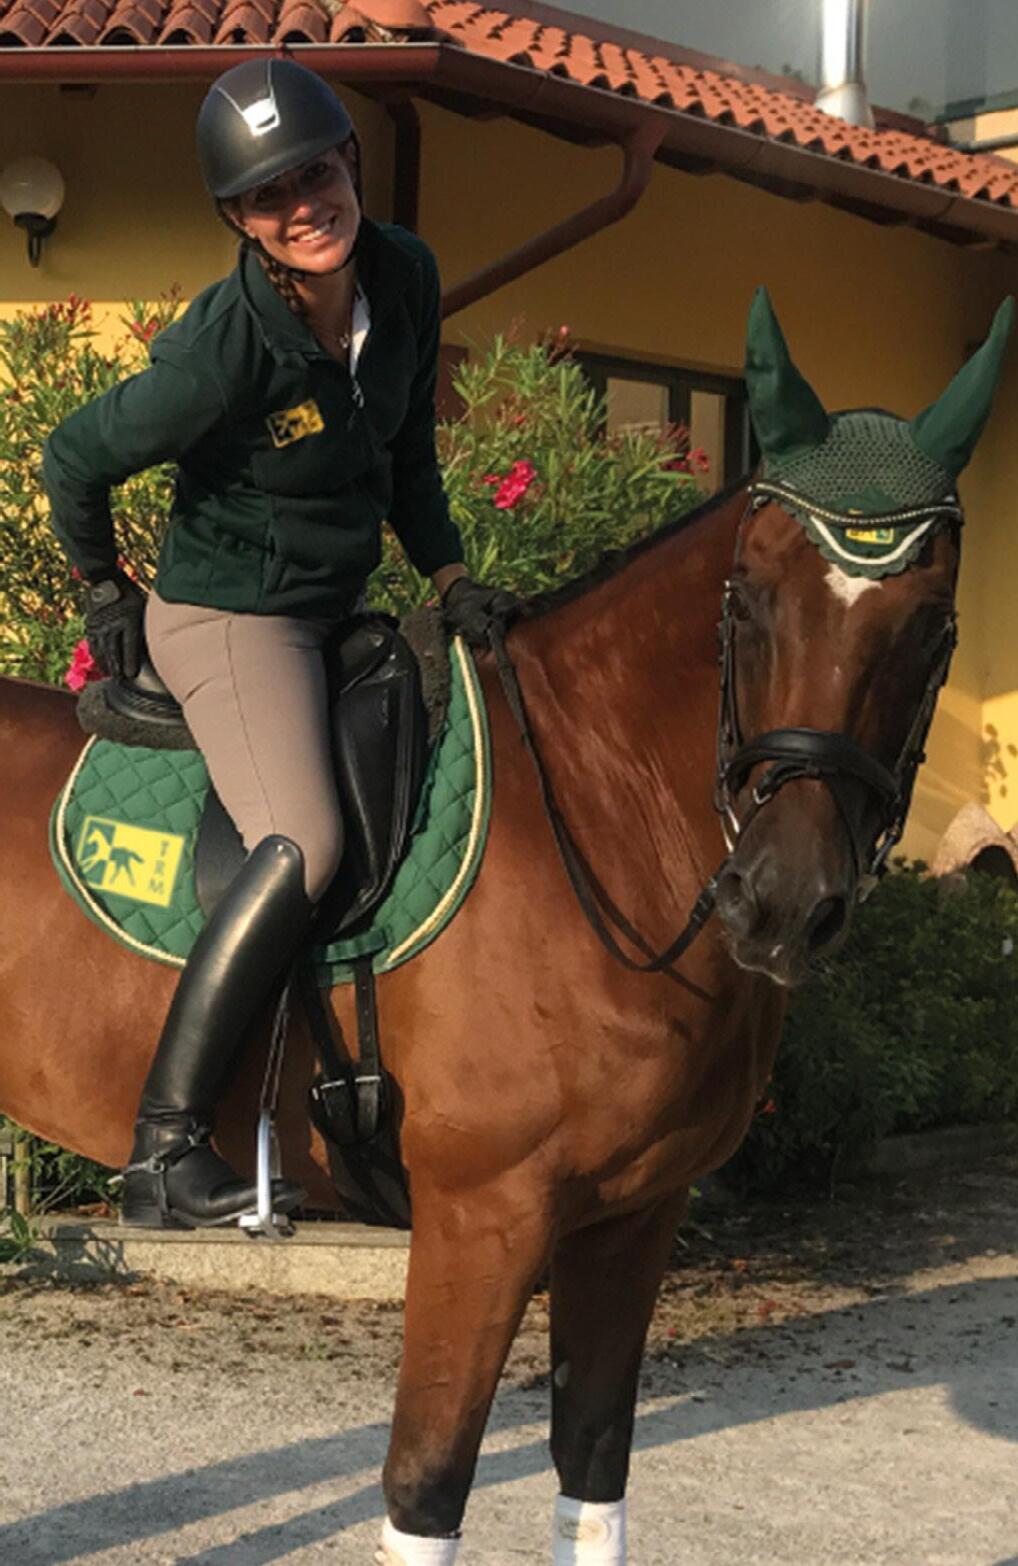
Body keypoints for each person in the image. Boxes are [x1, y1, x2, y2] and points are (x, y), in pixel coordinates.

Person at [42, 57, 515, 1232]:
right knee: (303, 838)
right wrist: (104, 587)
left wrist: (451, 577)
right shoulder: (225, 348)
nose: (304, 204)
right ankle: (163, 1148)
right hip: (232, 620)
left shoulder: (404, 277)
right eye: (269, 195)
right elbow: (75, 457)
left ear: (350, 160)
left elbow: (408, 456)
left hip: (335, 611)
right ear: (240, 221)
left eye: (315, 172)